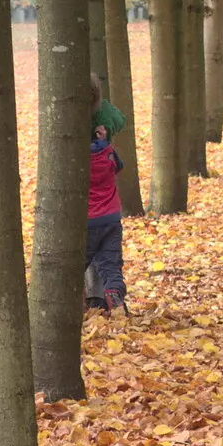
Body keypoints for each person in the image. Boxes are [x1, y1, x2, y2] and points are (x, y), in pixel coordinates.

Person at [87, 94, 128, 315]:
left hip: (89, 221)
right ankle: (114, 293)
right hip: (112, 219)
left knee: (77, 264)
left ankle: (79, 299)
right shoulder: (109, 154)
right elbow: (119, 167)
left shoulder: (78, 162)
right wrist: (103, 142)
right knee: (111, 263)